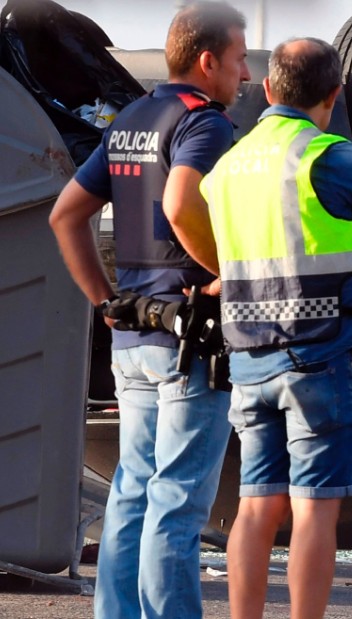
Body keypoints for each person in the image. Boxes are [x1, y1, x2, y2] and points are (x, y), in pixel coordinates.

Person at [200, 37, 352, 619]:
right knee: (314, 507)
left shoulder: (226, 168)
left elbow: (207, 234)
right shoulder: (330, 155)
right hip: (324, 356)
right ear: (335, 95)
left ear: (267, 90)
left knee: (255, 507)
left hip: (249, 356)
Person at [48, 3, 250, 617]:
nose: (244, 77)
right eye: (239, 60)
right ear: (207, 60)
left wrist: (103, 300)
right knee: (180, 500)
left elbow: (66, 214)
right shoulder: (203, 125)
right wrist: (228, 273)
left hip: (133, 334)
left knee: (133, 492)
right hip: (188, 339)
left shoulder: (131, 119)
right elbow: (183, 200)